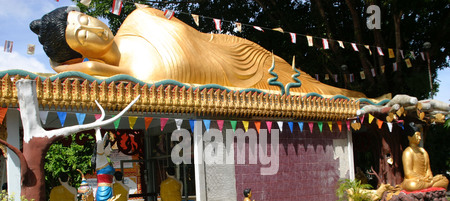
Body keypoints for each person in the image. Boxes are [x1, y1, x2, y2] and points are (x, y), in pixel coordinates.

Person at [30, 6, 365, 98]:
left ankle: (355, 95)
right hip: (234, 87)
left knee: (305, 83)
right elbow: (65, 72)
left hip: (231, 50)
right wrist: (64, 63)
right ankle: (354, 97)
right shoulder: (127, 77)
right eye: (82, 36)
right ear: (80, 54)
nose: (94, 29)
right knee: (307, 95)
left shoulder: (138, 16)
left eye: (85, 19)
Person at [93, 128, 123, 201]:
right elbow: (99, 142)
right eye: (108, 146)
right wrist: (97, 129)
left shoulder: (105, 159)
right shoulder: (100, 158)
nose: (110, 149)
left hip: (109, 189)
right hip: (104, 190)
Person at [401, 123, 448, 191]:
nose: (419, 138)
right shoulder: (408, 152)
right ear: (409, 137)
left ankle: (429, 184)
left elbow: (428, 169)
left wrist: (429, 177)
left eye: (420, 136)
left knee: (444, 180)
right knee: (412, 185)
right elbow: (408, 173)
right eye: (417, 136)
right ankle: (430, 184)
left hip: (425, 180)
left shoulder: (423, 151)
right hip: (415, 180)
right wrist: (423, 179)